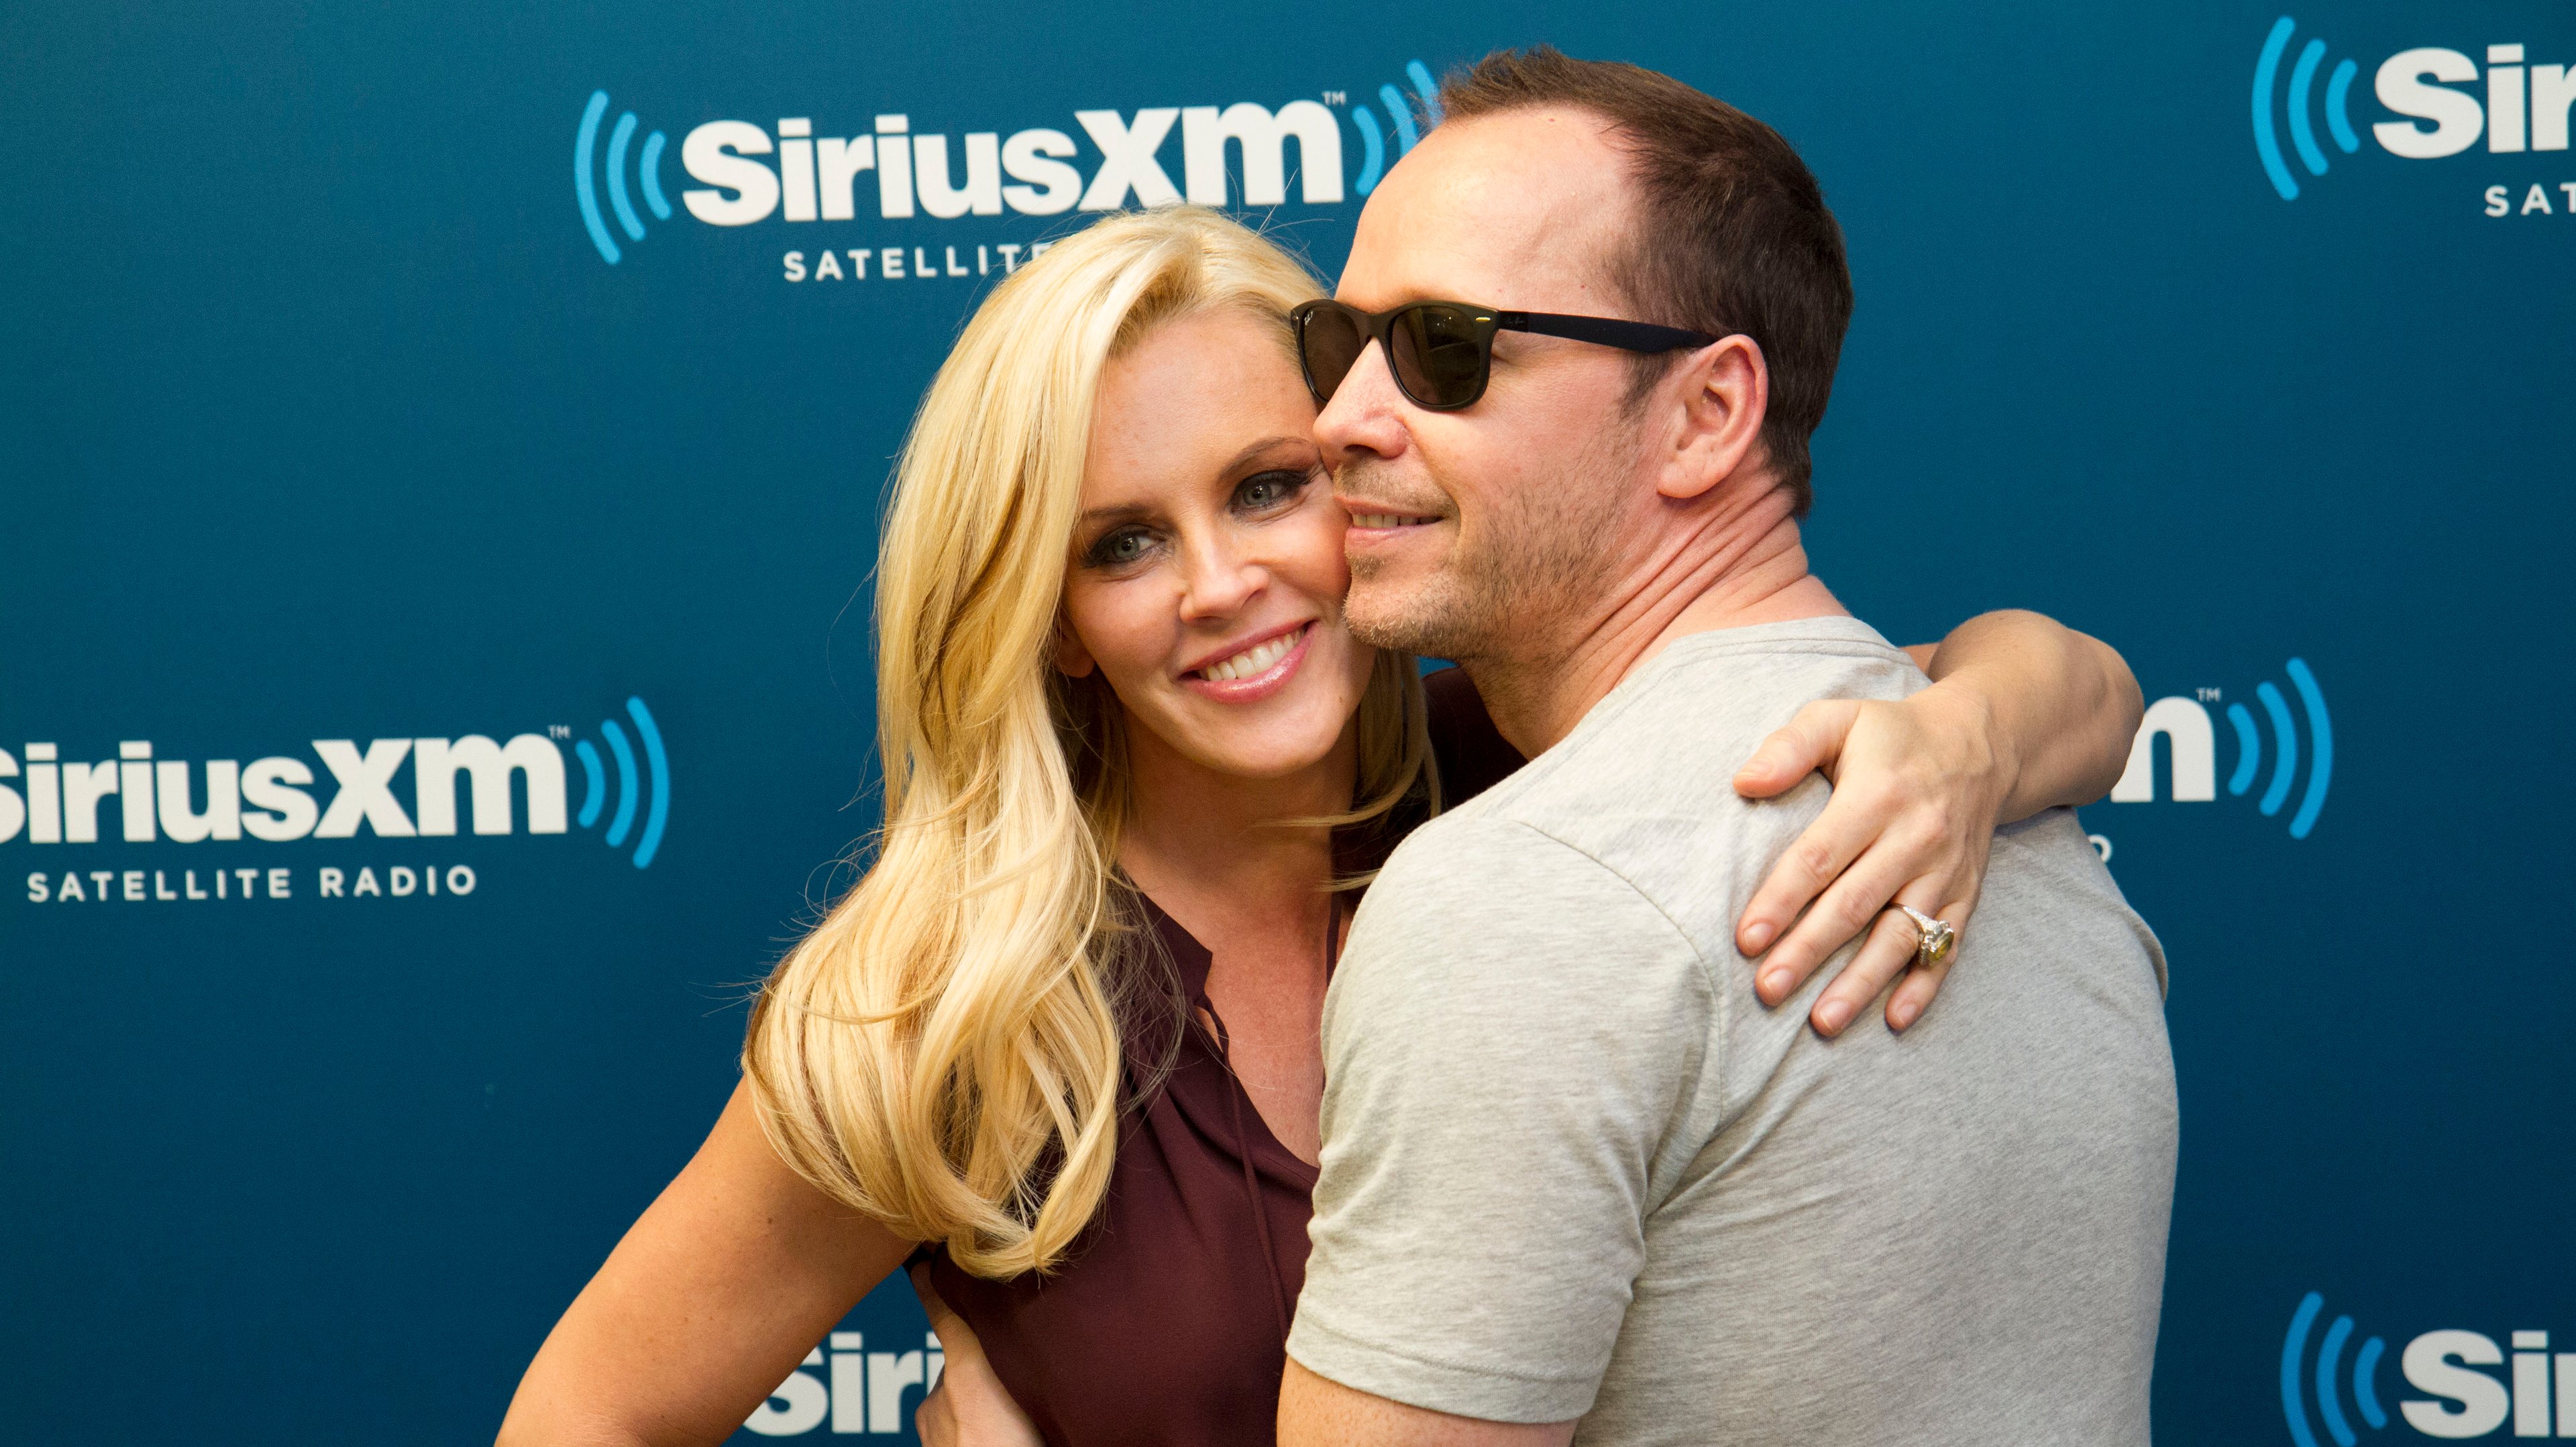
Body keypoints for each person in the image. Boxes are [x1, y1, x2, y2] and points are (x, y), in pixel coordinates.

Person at [494, 203, 2145, 1447]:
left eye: (1267, 486)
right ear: (1051, 619)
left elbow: (2074, 684)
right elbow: (590, 1411)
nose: (1223, 584)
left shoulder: (1550, 784)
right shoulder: (952, 1001)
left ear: (1366, 471)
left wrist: (1968, 739)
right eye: (1124, 543)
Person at [1269, 50, 2180, 1447]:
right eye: (1339, 340)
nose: (1341, 420)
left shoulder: (1521, 897)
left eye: (1447, 346)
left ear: (1707, 414)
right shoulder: (2012, 811)